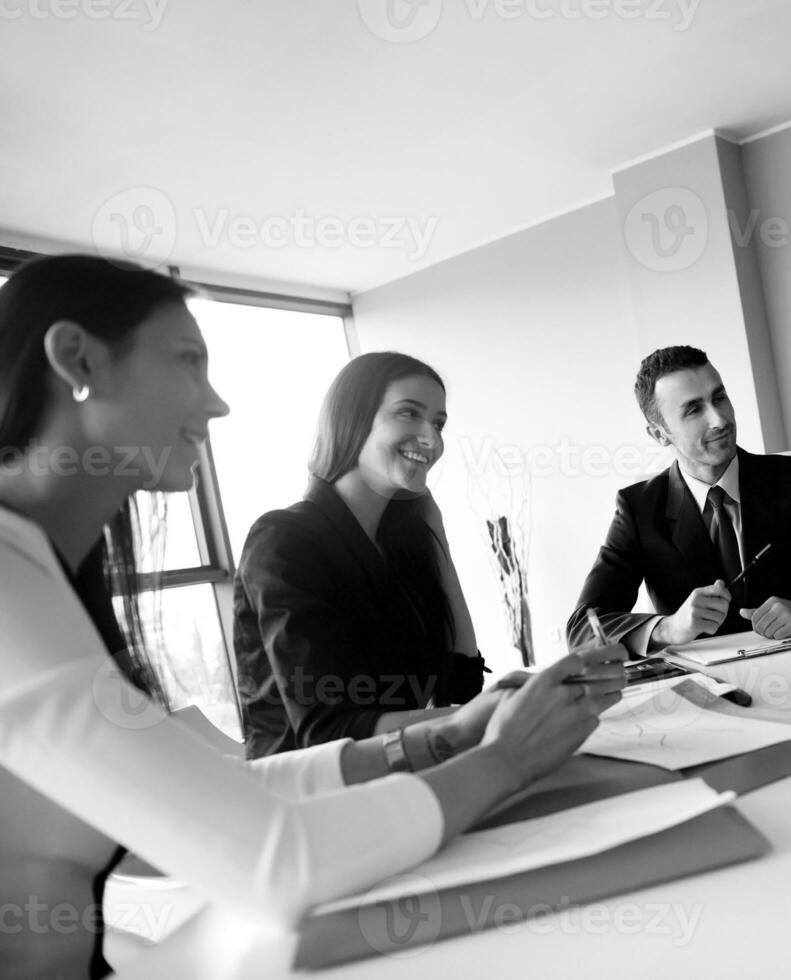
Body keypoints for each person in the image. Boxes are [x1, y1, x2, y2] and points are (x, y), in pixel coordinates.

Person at [0, 255, 624, 978]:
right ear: (77, 359)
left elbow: (224, 798)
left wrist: (441, 738)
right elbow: (278, 863)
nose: (216, 403)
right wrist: (503, 761)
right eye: (187, 361)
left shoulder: (45, 571)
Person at [569, 345, 791, 653]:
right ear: (659, 433)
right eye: (693, 410)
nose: (719, 419)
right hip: (705, 697)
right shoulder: (638, 508)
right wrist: (668, 629)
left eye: (719, 398)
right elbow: (583, 629)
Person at [235, 353, 487, 758]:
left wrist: (436, 535)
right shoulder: (284, 538)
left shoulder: (403, 543)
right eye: (409, 413)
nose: (432, 439)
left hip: (393, 772)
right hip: (308, 788)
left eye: (438, 423)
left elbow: (460, 683)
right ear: (353, 418)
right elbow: (328, 729)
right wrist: (483, 717)